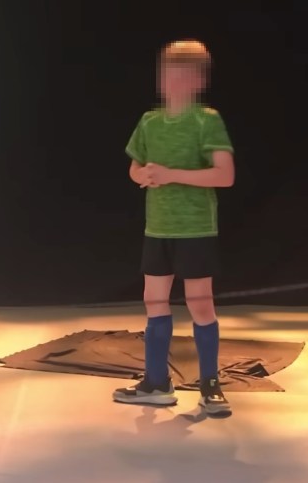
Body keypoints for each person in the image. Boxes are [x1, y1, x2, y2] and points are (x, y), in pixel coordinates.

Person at [112, 40, 235, 417]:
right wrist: (142, 175)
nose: (172, 82)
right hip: (158, 228)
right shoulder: (149, 122)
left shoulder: (207, 120)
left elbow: (225, 175)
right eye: (167, 74)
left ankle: (210, 385)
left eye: (182, 75)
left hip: (195, 228)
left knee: (200, 303)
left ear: (199, 81)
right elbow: (134, 167)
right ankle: (156, 382)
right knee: (153, 300)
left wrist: (171, 175)